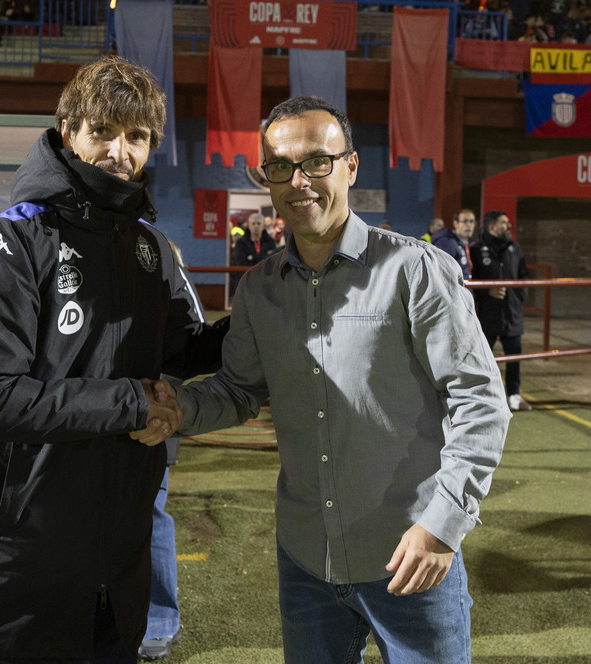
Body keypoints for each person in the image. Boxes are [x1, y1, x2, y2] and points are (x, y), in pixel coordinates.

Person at [164, 95, 511, 664]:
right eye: (281, 167)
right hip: (307, 560)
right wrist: (174, 407)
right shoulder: (260, 289)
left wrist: (443, 526)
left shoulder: (415, 270)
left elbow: (480, 402)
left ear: (350, 167)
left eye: (317, 163)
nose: (299, 181)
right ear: (267, 180)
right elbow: (239, 389)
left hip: (411, 555)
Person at [0, 57, 227, 664]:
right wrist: (131, 403)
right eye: (103, 131)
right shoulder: (13, 240)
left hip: (117, 569)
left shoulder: (150, 248)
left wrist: (271, 316)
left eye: (136, 137)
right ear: (68, 129)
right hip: (18, 561)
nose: (119, 152)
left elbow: (183, 348)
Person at [469, 210, 530, 411]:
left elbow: (523, 276)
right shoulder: (476, 250)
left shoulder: (515, 248)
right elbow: (470, 282)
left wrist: (518, 297)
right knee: (482, 358)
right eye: (504, 223)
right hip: (488, 316)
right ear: (492, 226)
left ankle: (513, 395)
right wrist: (488, 291)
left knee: (514, 358)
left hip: (512, 315)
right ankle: (483, 396)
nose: (509, 226)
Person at [430, 209, 474, 280]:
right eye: (465, 221)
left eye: (471, 221)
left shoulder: (463, 243)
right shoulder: (448, 243)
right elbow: (442, 273)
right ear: (455, 223)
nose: (469, 225)